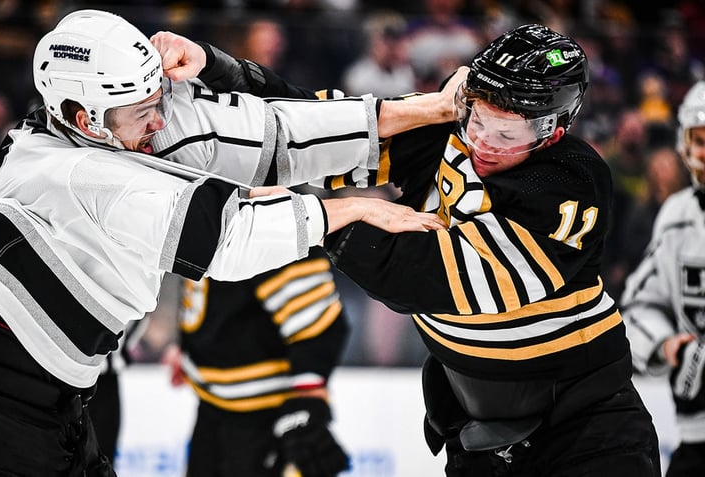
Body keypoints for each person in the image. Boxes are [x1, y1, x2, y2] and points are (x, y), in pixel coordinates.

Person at [0, 9, 448, 477]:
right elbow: (232, 235)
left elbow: (277, 134)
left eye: (159, 98)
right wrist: (352, 209)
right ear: (85, 119)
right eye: (144, 111)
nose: (161, 121)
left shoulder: (114, 127)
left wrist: (434, 108)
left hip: (61, 403)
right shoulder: (78, 177)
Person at [161, 23, 662, 476]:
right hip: (479, 432)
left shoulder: (569, 179)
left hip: (585, 430)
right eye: (477, 119)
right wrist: (218, 68)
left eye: (507, 133)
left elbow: (445, 280)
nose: (482, 141)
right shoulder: (452, 135)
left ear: (555, 129)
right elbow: (320, 128)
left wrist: (333, 220)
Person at [163, 246, 350, 477]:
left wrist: (306, 403)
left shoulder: (267, 214)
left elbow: (320, 326)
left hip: (263, 419)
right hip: (213, 409)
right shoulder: (215, 213)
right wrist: (191, 345)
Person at [620, 80, 705, 476]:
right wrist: (666, 344)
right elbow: (639, 304)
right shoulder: (677, 215)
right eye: (699, 139)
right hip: (696, 434)